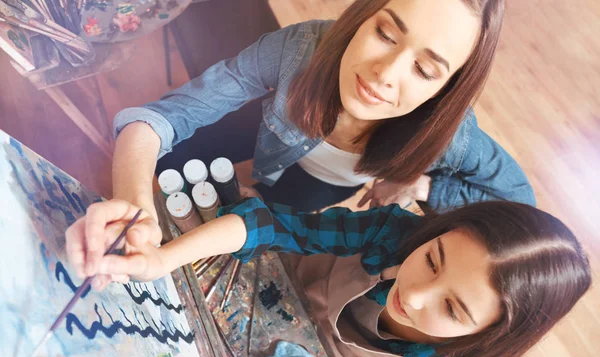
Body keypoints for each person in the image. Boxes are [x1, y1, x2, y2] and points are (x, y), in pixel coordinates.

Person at [67, 197, 591, 357]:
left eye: (454, 309)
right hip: (275, 287)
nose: (417, 292)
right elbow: (270, 223)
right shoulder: (393, 234)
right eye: (432, 259)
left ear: (488, 336)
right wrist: (162, 260)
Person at [111, 0, 534, 218]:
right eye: (386, 33)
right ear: (364, 16)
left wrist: (421, 187)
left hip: (325, 185)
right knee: (180, 162)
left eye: (424, 69)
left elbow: (516, 209)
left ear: (447, 90)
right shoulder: (299, 50)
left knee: (268, 211)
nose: (385, 73)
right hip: (262, 134)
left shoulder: (453, 137)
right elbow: (169, 116)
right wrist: (134, 205)